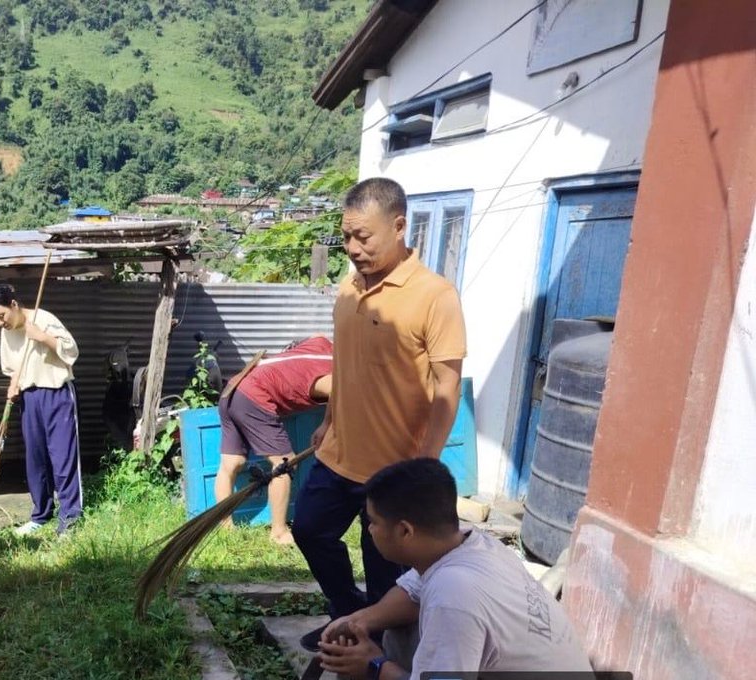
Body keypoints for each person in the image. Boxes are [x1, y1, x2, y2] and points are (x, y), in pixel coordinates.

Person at [293, 177, 467, 652]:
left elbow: (447, 385)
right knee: (309, 529)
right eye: (347, 237)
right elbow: (343, 359)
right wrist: (328, 420)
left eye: (362, 237)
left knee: (387, 568)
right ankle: (348, 615)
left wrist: (425, 465)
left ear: (398, 226)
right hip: (337, 452)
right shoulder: (349, 287)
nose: (352, 248)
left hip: (393, 469)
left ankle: (379, 649)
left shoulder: (435, 295)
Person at [317, 458, 593, 679]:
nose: (369, 529)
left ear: (404, 531)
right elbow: (412, 591)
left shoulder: (453, 596)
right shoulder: (472, 543)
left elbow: (446, 603)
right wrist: (358, 620)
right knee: (399, 630)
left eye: (373, 521)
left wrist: (374, 666)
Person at [215, 335, 333, 545]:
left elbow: (316, 336)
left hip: (234, 386)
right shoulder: (333, 376)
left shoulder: (322, 343)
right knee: (284, 463)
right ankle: (279, 532)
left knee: (231, 463)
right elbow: (341, 393)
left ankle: (225, 527)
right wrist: (326, 425)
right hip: (254, 395)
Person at [0, 284, 82, 536]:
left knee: (62, 456)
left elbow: (72, 351)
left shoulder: (44, 318)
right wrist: (13, 384)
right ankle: (41, 514)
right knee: (35, 458)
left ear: (14, 305)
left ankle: (70, 517)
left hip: (56, 393)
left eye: (1, 315)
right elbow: (15, 364)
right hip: (30, 397)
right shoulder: (7, 332)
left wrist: (43, 337)